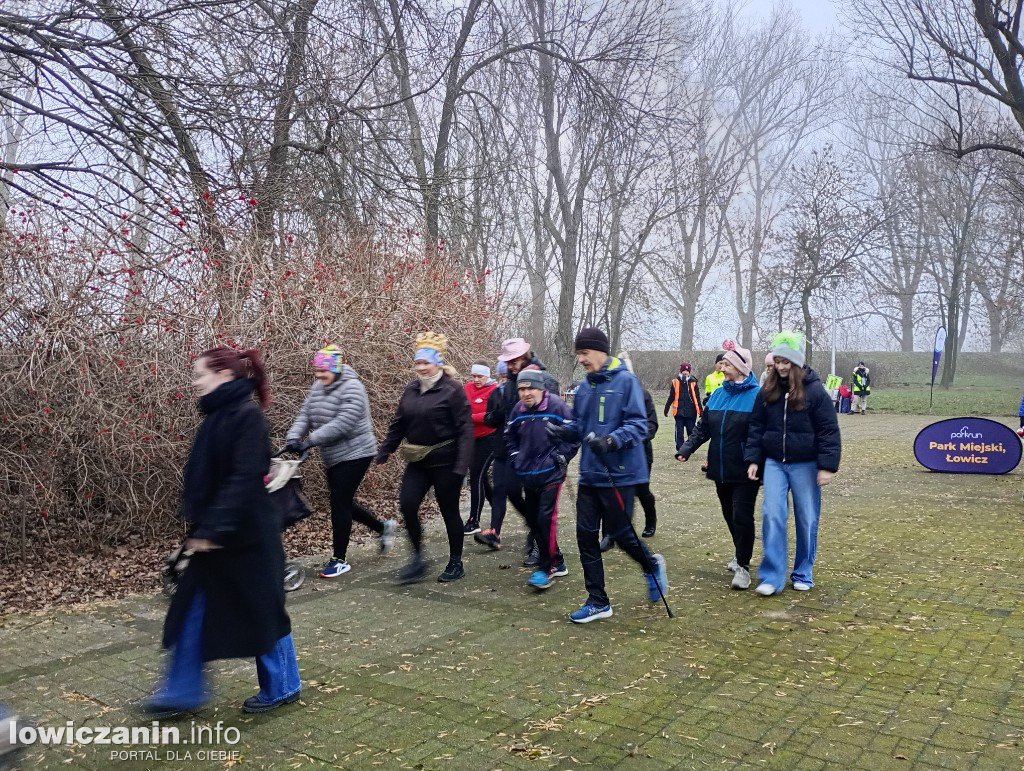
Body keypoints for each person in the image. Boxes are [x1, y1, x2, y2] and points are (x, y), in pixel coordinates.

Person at [145, 347, 300, 715]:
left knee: (264, 612)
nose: (195, 380)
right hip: (218, 534)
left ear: (225, 375)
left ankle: (284, 686)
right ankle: (181, 691)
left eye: (201, 373)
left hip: (246, 537)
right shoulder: (216, 416)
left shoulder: (246, 417)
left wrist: (213, 528)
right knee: (192, 607)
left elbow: (243, 479)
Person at [547, 327, 668, 624]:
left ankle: (651, 564)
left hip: (620, 474)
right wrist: (562, 430)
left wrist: (612, 440)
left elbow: (640, 425)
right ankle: (598, 601)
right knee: (585, 536)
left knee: (622, 536)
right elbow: (579, 425)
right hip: (590, 474)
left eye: (585, 353)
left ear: (601, 350)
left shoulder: (627, 382)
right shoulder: (586, 386)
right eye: (579, 354)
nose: (582, 360)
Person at [285, 345, 395, 579]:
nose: (319, 375)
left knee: (339, 502)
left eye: (323, 371)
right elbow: (306, 413)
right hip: (333, 455)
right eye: (317, 371)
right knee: (343, 501)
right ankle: (383, 527)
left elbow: (343, 423)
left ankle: (339, 559)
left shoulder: (353, 388)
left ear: (335, 368)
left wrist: (310, 440)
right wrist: (294, 437)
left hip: (357, 452)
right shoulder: (319, 386)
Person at [745, 332, 841, 596]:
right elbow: (756, 426)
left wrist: (827, 466)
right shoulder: (767, 390)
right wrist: (753, 459)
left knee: (806, 518)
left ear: (797, 362)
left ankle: (802, 572)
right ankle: (772, 577)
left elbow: (828, 430)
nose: (782, 366)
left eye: (786, 361)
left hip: (806, 464)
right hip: (775, 463)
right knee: (772, 514)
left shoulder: (815, 391)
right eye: (777, 361)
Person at [376, 332, 475, 583]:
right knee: (407, 505)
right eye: (417, 363)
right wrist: (386, 449)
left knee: (449, 511)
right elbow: (399, 423)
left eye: (425, 363)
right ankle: (418, 560)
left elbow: (465, 429)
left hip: (447, 462)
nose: (421, 367)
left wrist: (462, 466)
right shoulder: (411, 389)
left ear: (437, 363)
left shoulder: (452, 390)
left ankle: (456, 562)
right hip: (418, 461)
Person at [676, 340, 761, 590]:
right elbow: (703, 428)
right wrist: (687, 448)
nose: (722, 367)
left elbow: (761, 433)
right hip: (720, 466)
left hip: (746, 469)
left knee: (742, 515)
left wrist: (755, 458)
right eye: (722, 363)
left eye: (727, 363)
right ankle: (739, 552)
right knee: (729, 514)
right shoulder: (718, 394)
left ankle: (743, 567)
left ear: (741, 367)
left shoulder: (757, 396)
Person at [475, 338, 559, 559]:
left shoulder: (546, 380)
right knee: (512, 491)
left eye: (514, 361)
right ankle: (533, 531)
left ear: (526, 354)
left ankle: (541, 546)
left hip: (539, 454)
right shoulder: (511, 384)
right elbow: (508, 417)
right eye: (508, 362)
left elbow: (555, 418)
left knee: (539, 504)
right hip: (511, 451)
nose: (511, 366)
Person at [505, 367, 579, 589]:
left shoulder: (557, 406)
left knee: (546, 519)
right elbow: (509, 436)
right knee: (535, 521)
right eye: (521, 389)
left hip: (551, 474)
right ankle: (557, 559)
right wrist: (516, 456)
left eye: (530, 388)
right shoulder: (518, 410)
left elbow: (574, 435)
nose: (526, 393)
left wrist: (561, 456)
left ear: (540, 389)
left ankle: (546, 568)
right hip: (528, 474)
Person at [463, 361, 499, 535]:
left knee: (476, 476)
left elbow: (492, 416)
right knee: (481, 478)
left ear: (488, 375)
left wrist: (471, 417)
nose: (476, 379)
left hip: (490, 438)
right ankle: (497, 510)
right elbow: (460, 407)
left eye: (480, 376)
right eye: (474, 376)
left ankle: (473, 520)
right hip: (472, 438)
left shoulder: (494, 391)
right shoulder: (467, 388)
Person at [664, 361, 702, 454]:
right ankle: (680, 449)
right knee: (679, 432)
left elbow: (697, 398)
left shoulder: (693, 382)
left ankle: (690, 448)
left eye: (687, 371)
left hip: (691, 412)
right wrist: (666, 408)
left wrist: (701, 411)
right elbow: (671, 396)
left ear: (689, 372)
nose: (685, 372)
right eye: (683, 371)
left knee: (691, 431)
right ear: (681, 371)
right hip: (679, 412)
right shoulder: (675, 382)